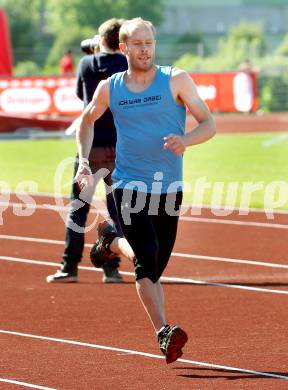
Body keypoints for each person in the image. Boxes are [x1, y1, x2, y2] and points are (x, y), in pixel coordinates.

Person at [74, 17, 216, 363]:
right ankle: (164, 332)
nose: (144, 50)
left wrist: (187, 139)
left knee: (154, 263)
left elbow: (209, 123)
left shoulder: (176, 80)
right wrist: (82, 162)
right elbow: (87, 119)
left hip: (169, 188)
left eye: (149, 43)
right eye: (137, 44)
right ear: (123, 48)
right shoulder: (111, 87)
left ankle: (111, 241)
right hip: (128, 185)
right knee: (147, 260)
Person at [47, 18, 128, 284]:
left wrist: (95, 57)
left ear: (101, 40)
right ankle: (112, 268)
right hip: (119, 148)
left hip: (90, 145)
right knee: (117, 211)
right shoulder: (128, 65)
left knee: (78, 208)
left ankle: (69, 266)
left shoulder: (86, 63)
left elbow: (81, 97)